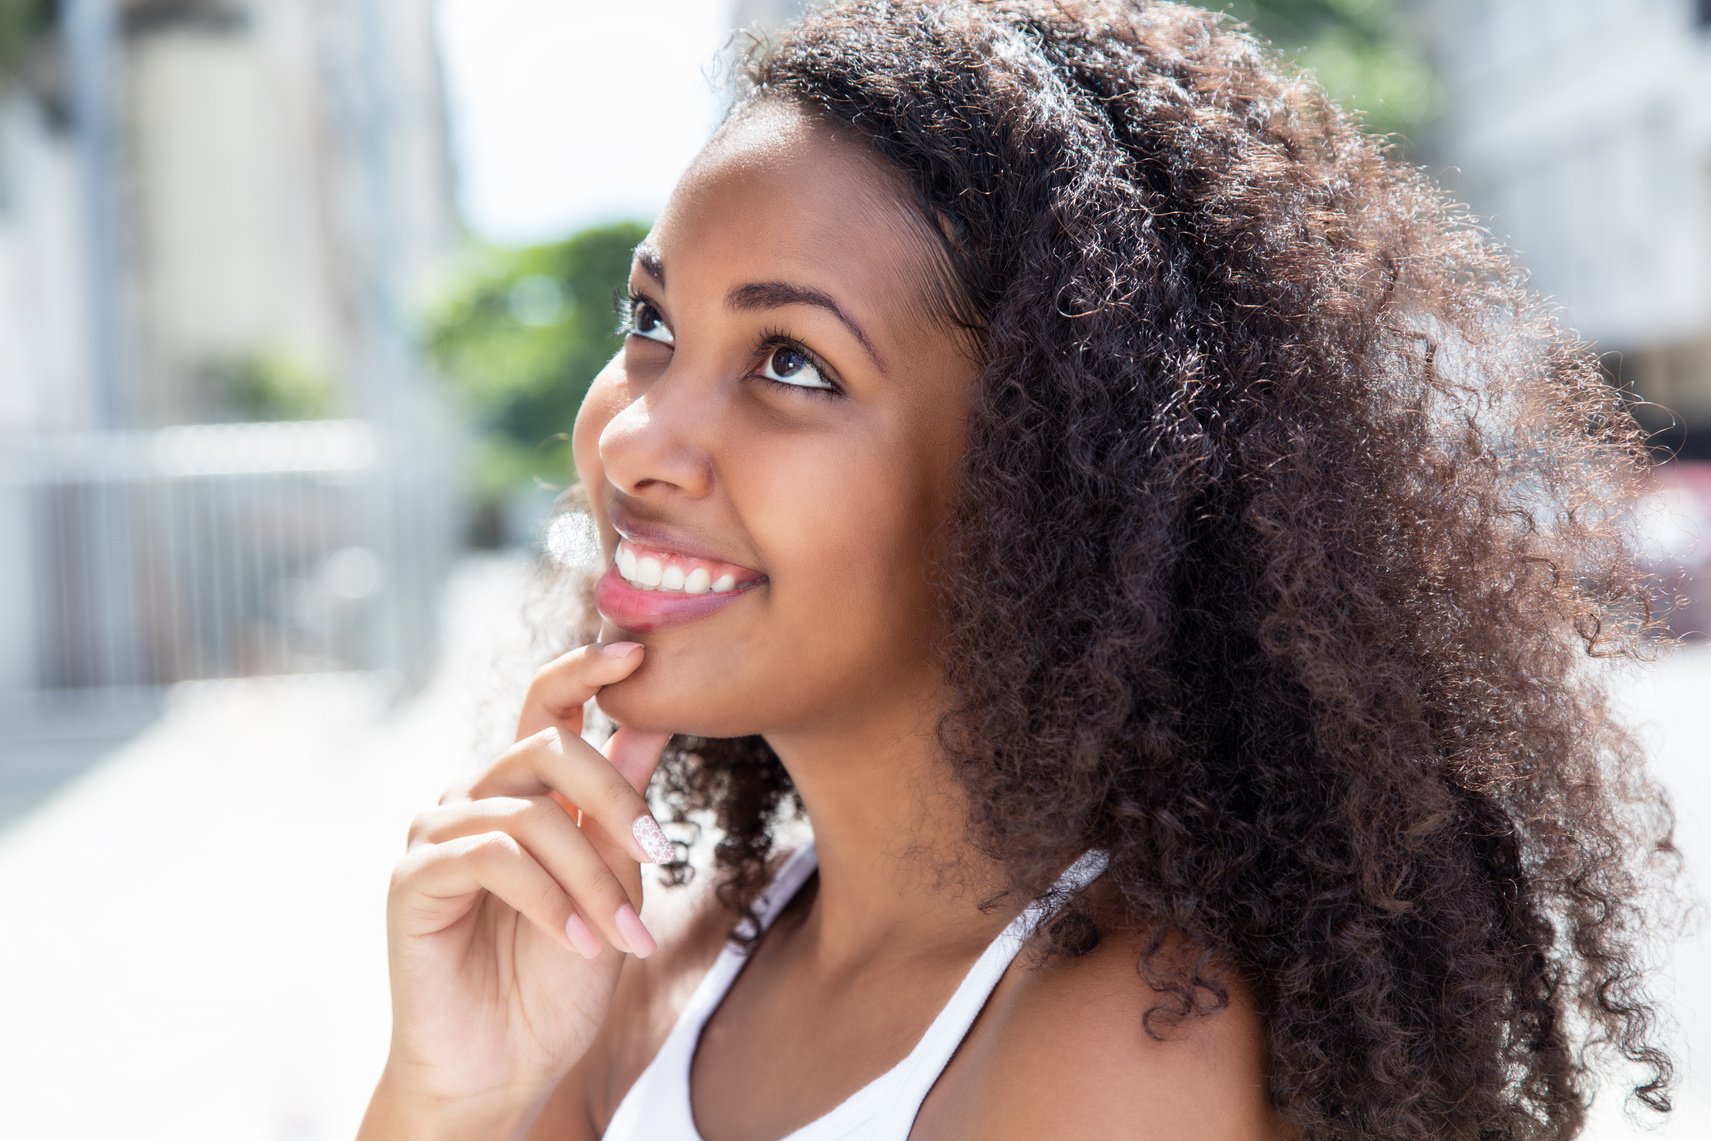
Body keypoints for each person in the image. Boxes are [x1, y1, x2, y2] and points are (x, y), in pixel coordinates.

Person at [359, 1, 1681, 1137]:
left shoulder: (1132, 1039)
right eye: (651, 322)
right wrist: (445, 1095)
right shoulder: (664, 957)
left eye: (793, 364)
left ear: (1037, 481)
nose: (639, 437)